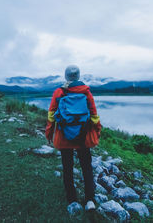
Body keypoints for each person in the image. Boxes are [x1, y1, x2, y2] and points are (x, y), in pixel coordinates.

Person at [45, 65, 101, 212]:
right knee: (86, 167)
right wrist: (97, 130)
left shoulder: (59, 92)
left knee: (67, 167)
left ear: (66, 77)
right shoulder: (86, 92)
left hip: (64, 137)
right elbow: (94, 115)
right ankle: (90, 200)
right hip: (84, 136)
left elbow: (51, 115)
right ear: (78, 76)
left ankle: (72, 199)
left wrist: (49, 133)